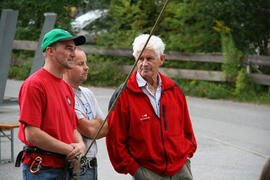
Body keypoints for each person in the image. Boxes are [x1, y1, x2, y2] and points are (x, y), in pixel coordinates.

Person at [106, 34, 197, 180]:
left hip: (181, 170)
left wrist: (185, 155)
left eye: (149, 59)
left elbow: (187, 129)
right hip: (147, 172)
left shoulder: (174, 89)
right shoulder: (124, 94)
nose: (144, 63)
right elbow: (115, 140)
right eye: (140, 58)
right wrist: (135, 170)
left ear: (162, 59)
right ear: (135, 59)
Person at [16, 28, 86, 180]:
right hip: (42, 170)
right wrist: (70, 150)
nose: (73, 54)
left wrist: (80, 145)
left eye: (74, 49)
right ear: (50, 51)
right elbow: (32, 134)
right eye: (68, 48)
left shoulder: (66, 87)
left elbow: (71, 127)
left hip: (65, 168)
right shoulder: (34, 85)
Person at [63, 47, 108, 180]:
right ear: (67, 67)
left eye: (86, 63)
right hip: (77, 167)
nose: (86, 67)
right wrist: (96, 124)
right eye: (80, 64)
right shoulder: (64, 94)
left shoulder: (88, 93)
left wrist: (92, 126)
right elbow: (88, 129)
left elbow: (107, 127)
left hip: (92, 165)